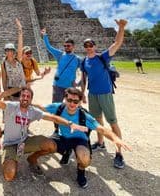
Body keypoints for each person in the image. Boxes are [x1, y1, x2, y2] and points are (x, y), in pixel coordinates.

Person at [0, 82, 88, 181]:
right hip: (11, 145)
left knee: (51, 145)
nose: (25, 98)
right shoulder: (11, 106)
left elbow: (51, 117)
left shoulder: (33, 111)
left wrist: (69, 123)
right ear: (20, 97)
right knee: (9, 175)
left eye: (28, 96)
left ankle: (32, 159)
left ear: (31, 99)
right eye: (23, 95)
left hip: (25, 142)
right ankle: (13, 159)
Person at [37, 87, 131, 188]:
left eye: (75, 101)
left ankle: (81, 172)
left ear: (80, 102)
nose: (72, 104)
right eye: (69, 100)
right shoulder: (59, 107)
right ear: (65, 99)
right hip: (62, 137)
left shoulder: (84, 116)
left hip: (79, 140)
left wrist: (115, 138)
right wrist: (26, 103)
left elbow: (102, 129)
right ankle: (66, 152)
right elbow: (41, 107)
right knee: (45, 144)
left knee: (85, 159)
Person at [81, 19, 128, 169]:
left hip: (105, 94)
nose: (88, 47)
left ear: (95, 46)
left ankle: (119, 153)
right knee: (97, 120)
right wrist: (82, 93)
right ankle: (100, 143)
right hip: (92, 94)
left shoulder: (103, 57)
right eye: (86, 45)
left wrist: (120, 28)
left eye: (91, 45)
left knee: (112, 122)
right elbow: (83, 79)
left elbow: (117, 44)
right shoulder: (84, 62)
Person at [41, 29, 81, 103]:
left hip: (70, 88)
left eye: (68, 46)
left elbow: (85, 72)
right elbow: (49, 47)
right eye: (65, 46)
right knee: (56, 107)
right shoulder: (60, 55)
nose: (66, 47)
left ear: (73, 46)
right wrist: (45, 36)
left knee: (70, 108)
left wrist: (79, 83)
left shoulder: (77, 59)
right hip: (58, 86)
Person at [1, 19, 26, 100]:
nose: (9, 52)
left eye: (11, 50)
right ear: (5, 52)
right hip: (11, 89)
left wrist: (20, 29)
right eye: (7, 50)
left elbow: (20, 44)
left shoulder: (18, 59)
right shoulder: (4, 64)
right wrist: (6, 93)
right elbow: (4, 80)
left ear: (14, 51)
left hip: (22, 88)